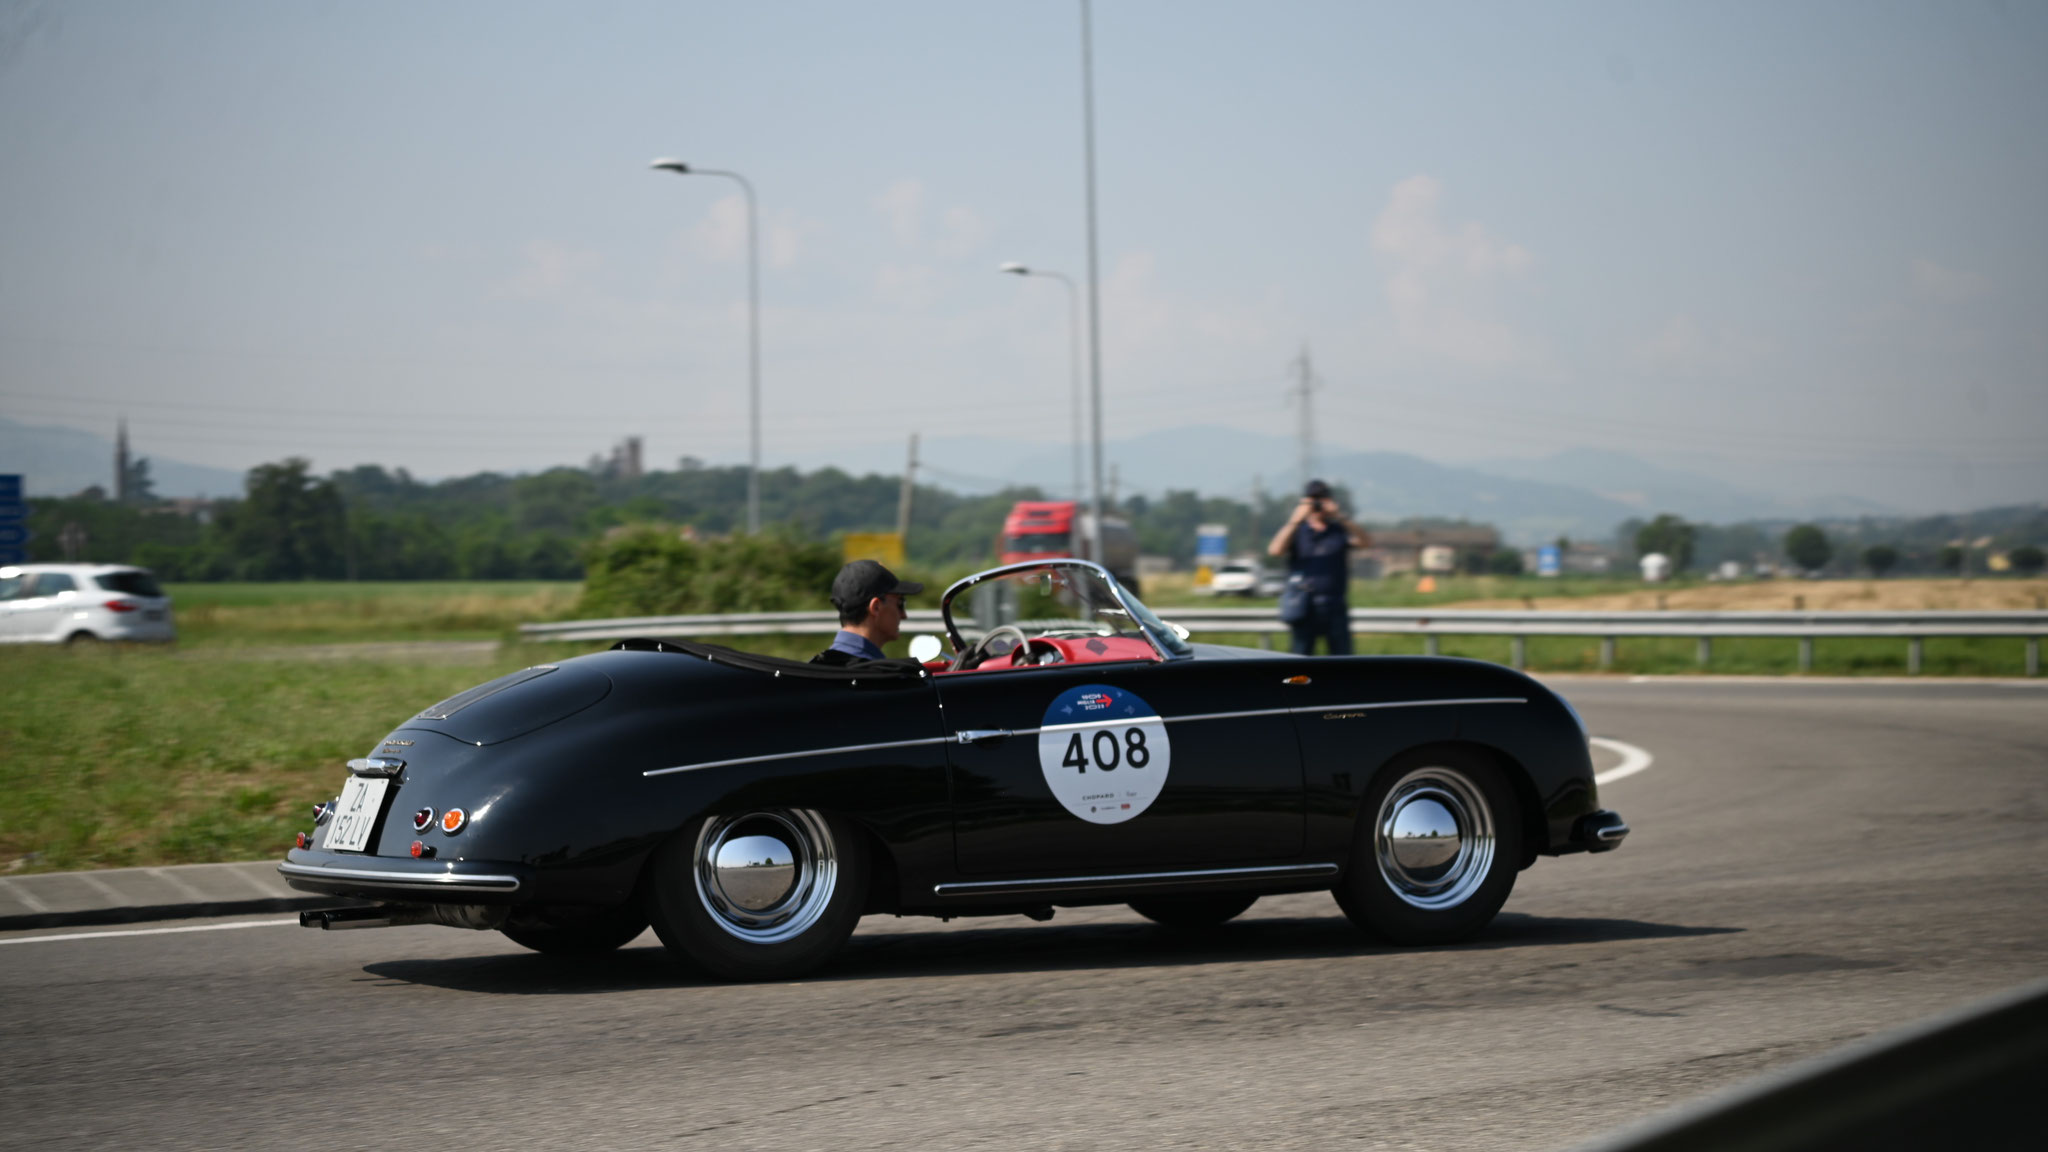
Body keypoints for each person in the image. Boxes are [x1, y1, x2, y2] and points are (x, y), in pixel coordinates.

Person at [1267, 479, 1369, 655]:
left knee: (1342, 659)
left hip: (1335, 604)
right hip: (1304, 605)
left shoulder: (1338, 530)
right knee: (1300, 658)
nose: (1317, 505)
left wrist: (1340, 516)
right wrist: (1295, 519)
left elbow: (1365, 542)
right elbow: (1275, 550)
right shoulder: (1298, 531)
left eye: (1321, 499)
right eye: (1312, 499)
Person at [812, 559, 924, 666]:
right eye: (900, 604)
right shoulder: (878, 674)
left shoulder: (818, 668)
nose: (904, 616)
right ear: (876, 607)